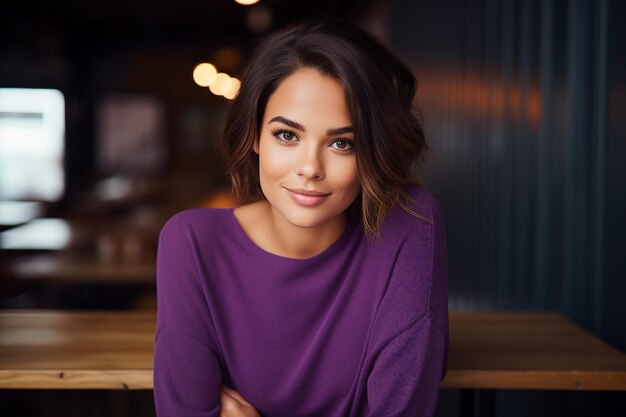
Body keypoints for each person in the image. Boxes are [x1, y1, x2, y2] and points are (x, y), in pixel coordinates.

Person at [154, 18, 449, 417]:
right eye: (287, 135)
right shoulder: (192, 243)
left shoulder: (407, 222)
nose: (310, 167)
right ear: (254, 135)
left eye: (342, 143)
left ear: (371, 154)